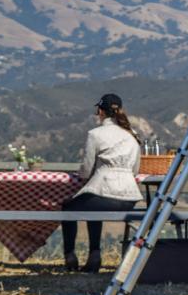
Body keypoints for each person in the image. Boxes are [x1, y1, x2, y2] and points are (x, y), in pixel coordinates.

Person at [61, 93, 143, 272]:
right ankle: (94, 257)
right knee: (93, 206)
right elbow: (135, 170)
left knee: (68, 208)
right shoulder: (132, 135)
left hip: (104, 192)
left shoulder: (95, 134)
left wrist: (84, 175)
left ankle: (72, 256)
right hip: (130, 198)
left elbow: (86, 170)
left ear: (100, 111)